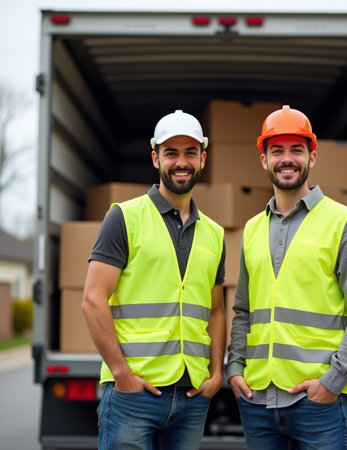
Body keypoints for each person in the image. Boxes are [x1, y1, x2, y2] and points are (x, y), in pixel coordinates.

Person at [226, 105, 347, 449]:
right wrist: (234, 368)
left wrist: (333, 381)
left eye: (296, 150)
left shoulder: (344, 223)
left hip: (319, 404)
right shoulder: (252, 230)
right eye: (277, 150)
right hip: (258, 402)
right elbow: (243, 311)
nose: (287, 159)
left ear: (312, 157)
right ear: (263, 160)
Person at [82, 110, 226, 450]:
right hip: (134, 394)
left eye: (190, 152)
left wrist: (216, 374)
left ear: (202, 159)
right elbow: (92, 299)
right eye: (171, 153)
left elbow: (216, 311)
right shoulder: (124, 217)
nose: (181, 162)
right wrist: (121, 374)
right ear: (155, 158)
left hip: (191, 397)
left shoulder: (215, 234)